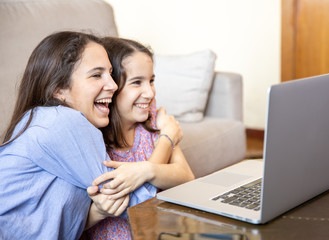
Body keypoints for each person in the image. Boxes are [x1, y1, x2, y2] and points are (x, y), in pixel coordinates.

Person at [0, 31, 183, 240]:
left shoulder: (40, 119)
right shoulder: (64, 122)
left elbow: (55, 219)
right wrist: (167, 138)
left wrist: (98, 211)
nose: (113, 85)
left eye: (111, 73)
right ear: (58, 89)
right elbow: (142, 207)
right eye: (96, 75)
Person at [84, 37, 195, 239]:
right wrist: (167, 137)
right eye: (137, 82)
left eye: (151, 81)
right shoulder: (94, 138)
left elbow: (187, 177)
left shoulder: (151, 118)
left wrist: (146, 170)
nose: (150, 92)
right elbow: (136, 203)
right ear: (112, 88)